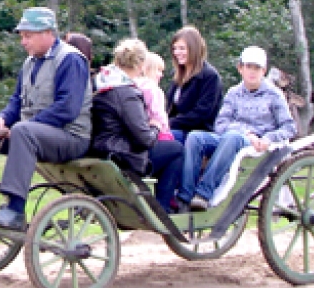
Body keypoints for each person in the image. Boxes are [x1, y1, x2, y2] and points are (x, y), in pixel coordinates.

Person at [0, 7, 92, 231]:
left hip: (71, 137)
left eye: (28, 36)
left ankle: (14, 210)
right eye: (22, 36)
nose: (23, 42)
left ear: (47, 32)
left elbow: (67, 109)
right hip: (33, 133)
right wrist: (3, 118)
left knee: (23, 132)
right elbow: (17, 100)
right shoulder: (30, 62)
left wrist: (25, 126)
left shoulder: (70, 59)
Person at [178, 46, 297, 211]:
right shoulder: (234, 93)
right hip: (233, 139)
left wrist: (268, 139)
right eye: (248, 67)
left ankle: (203, 194)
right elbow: (221, 124)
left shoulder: (274, 95)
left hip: (257, 146)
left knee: (232, 137)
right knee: (195, 137)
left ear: (264, 71)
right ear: (240, 68)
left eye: (257, 68)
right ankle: (185, 197)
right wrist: (245, 132)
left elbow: (289, 127)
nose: (252, 72)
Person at [90, 40, 184, 212]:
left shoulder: (102, 82)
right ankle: (163, 209)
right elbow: (145, 139)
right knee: (176, 149)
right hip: (122, 155)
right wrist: (155, 126)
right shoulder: (126, 93)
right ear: (141, 65)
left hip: (102, 148)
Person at [135, 51, 185, 211]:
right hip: (149, 140)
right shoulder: (152, 89)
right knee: (177, 151)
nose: (161, 75)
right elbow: (159, 118)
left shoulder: (130, 85)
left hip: (133, 140)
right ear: (147, 69)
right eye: (158, 70)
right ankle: (164, 204)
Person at [166, 26, 223, 141]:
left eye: (182, 48)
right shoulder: (178, 76)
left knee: (161, 139)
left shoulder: (209, 77)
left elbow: (201, 114)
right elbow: (169, 107)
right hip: (175, 128)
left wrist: (170, 123)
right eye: (175, 49)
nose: (177, 53)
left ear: (194, 49)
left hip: (197, 134)